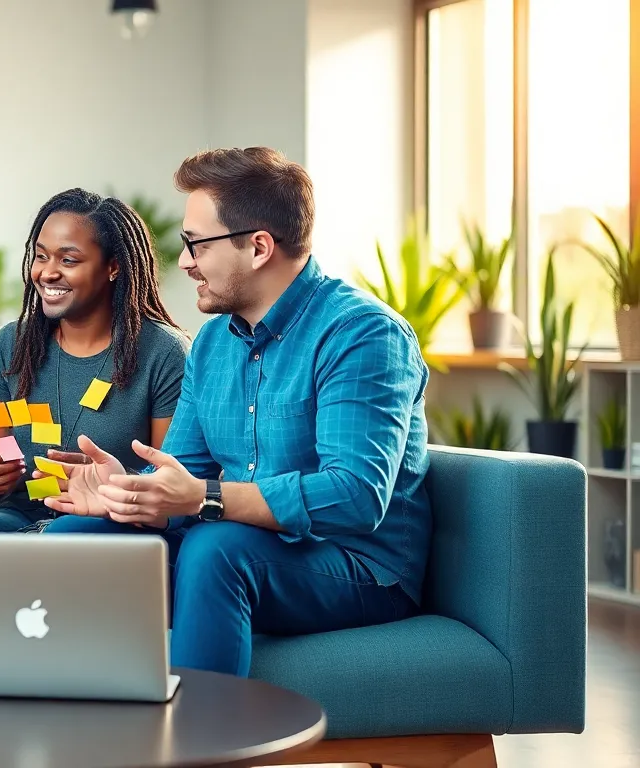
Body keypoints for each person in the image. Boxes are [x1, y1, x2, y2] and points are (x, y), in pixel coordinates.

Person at [40, 147, 429, 676]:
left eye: (197, 244)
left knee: (215, 547)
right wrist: (131, 492)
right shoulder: (211, 344)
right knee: (75, 540)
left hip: (357, 567)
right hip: (245, 545)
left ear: (259, 247)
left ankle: (203, 727)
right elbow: (184, 474)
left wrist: (206, 499)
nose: (184, 262)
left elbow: (356, 496)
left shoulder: (362, 334)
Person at [0, 188, 188, 534]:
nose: (47, 273)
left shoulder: (162, 351)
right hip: (23, 514)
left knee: (65, 532)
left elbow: (171, 481)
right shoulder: (13, 344)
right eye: (41, 256)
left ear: (113, 267)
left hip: (110, 520)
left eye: (68, 260)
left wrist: (109, 483)